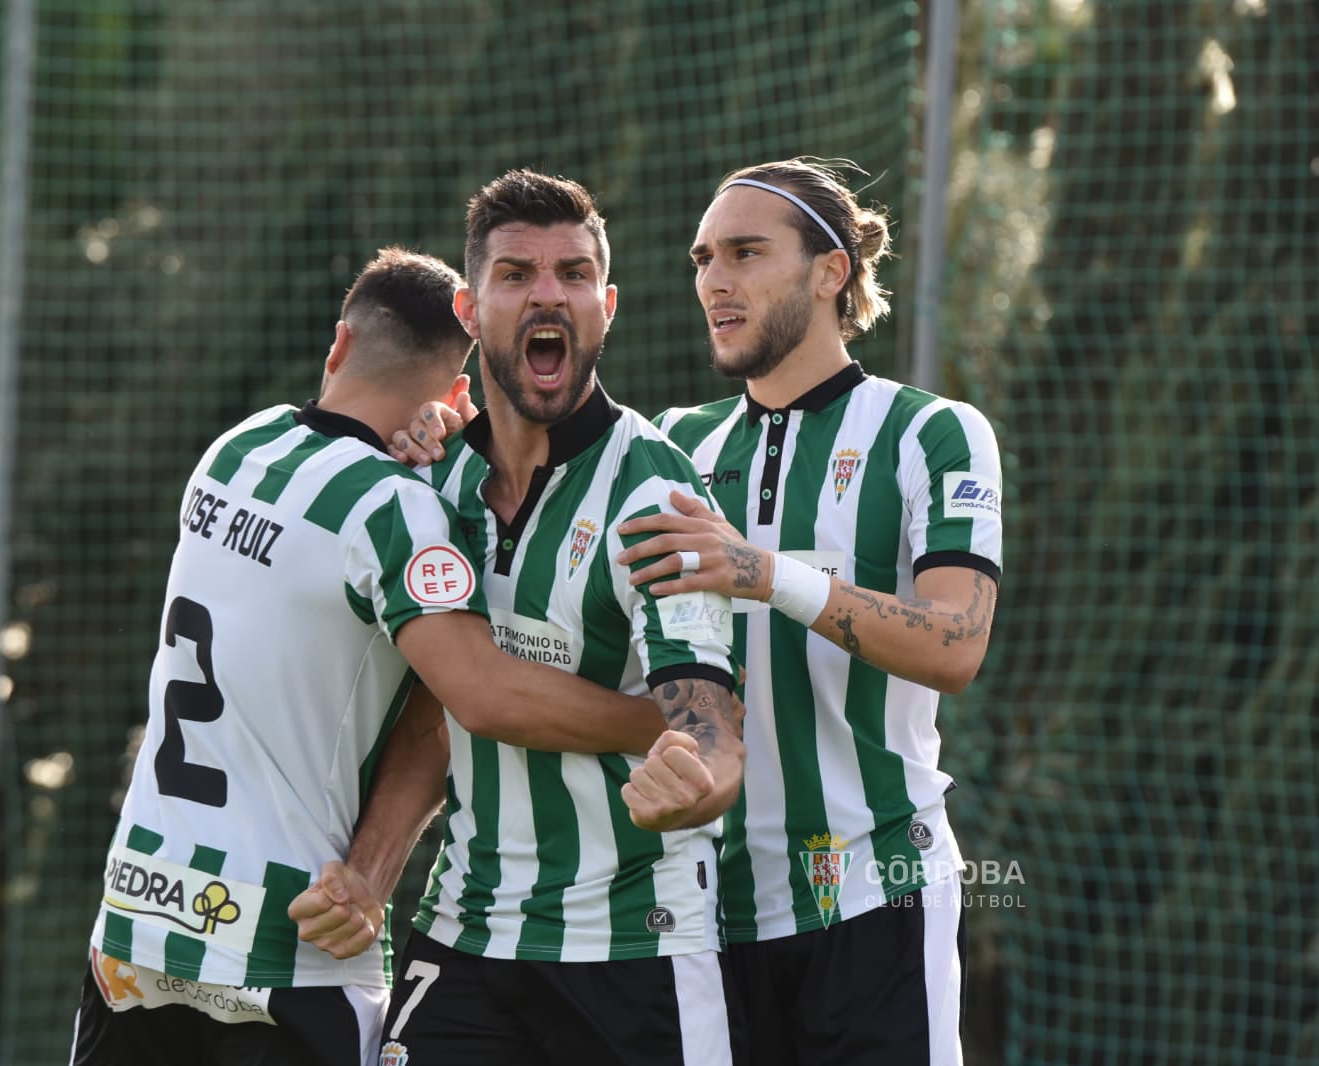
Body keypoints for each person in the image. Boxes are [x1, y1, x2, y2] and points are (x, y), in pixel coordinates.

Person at [390, 159, 1004, 1066]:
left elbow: (957, 644)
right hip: (713, 906)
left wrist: (769, 573)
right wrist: (440, 431)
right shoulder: (677, 447)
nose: (716, 279)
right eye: (703, 257)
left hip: (878, 892)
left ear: (831, 271)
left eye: (747, 253)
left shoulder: (931, 432)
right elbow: (545, 458)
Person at [70, 246, 681, 1066]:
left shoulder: (237, 450)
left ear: (337, 347)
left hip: (138, 920)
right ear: (458, 392)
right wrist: (667, 721)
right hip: (284, 940)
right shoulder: (400, 510)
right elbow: (482, 697)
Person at [312, 170, 749, 1066]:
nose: (548, 292)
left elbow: (709, 727)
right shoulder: (427, 483)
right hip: (465, 938)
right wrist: (369, 872)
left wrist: (693, 772)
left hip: (636, 948)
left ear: (606, 306)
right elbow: (435, 717)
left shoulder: (655, 495)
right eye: (516, 274)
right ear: (470, 312)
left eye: (574, 274)